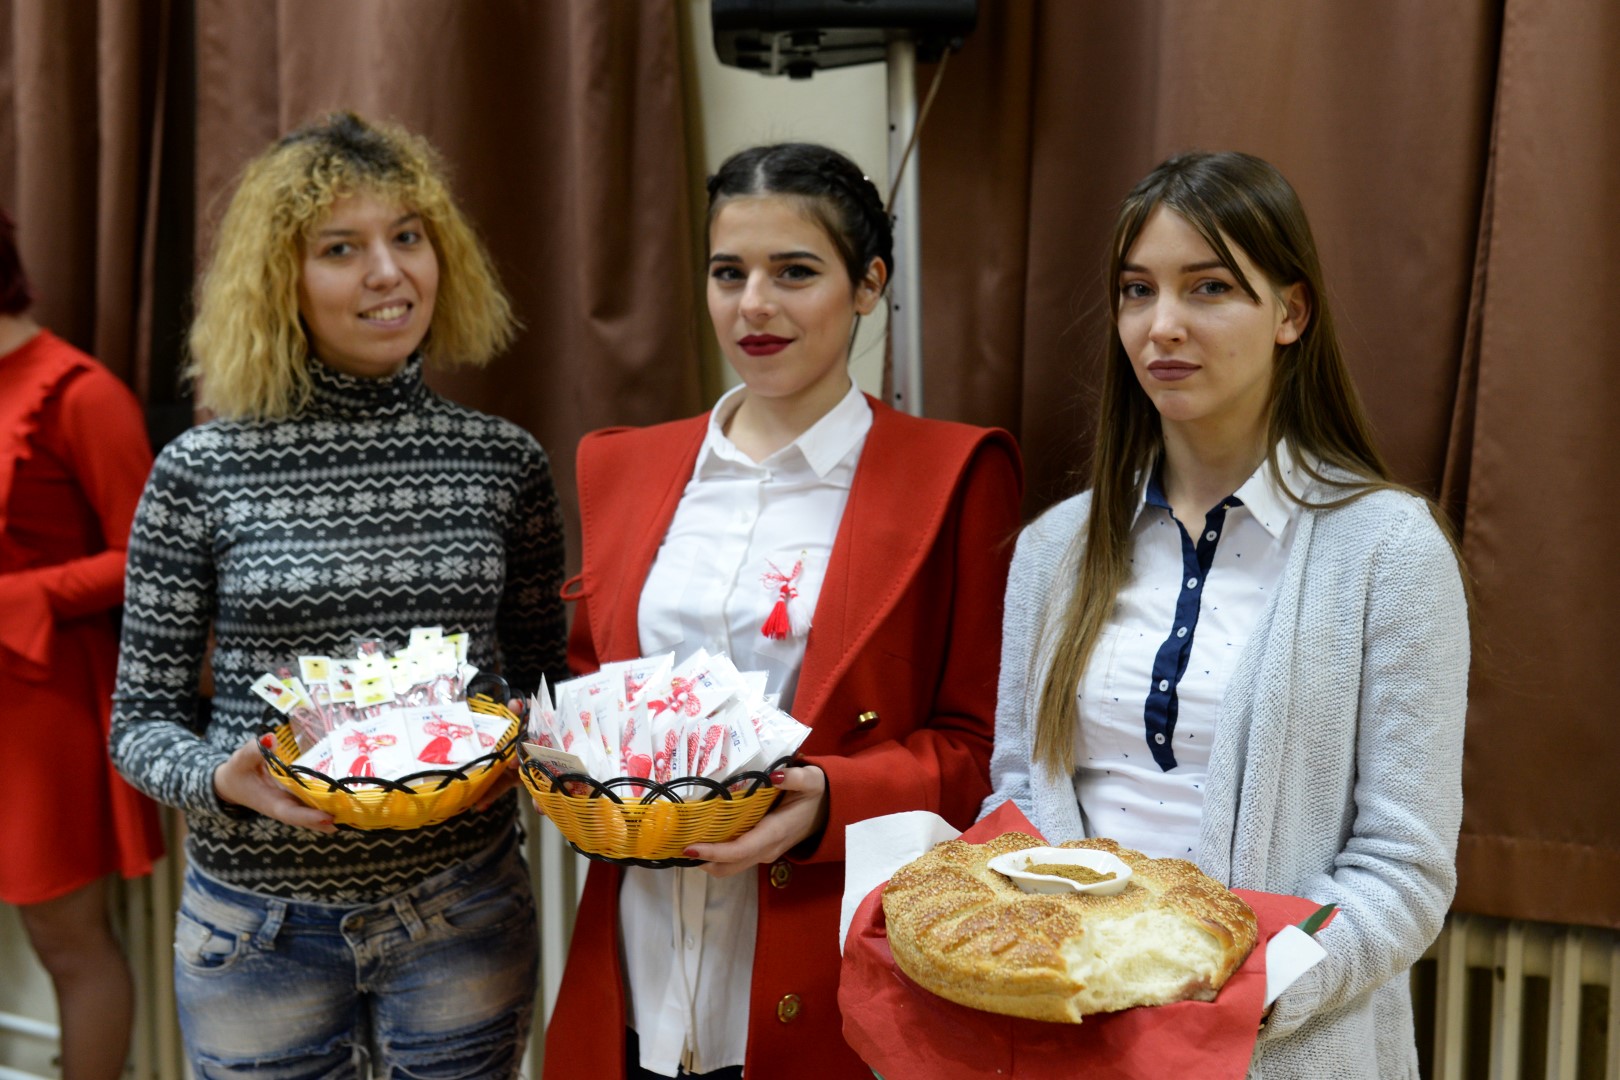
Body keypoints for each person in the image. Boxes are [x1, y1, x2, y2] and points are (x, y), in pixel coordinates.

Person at [981, 150, 1469, 1078]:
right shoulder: (1053, 549)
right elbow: (1016, 795)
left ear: (1291, 312)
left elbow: (1403, 869)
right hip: (1065, 1040)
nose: (1162, 325)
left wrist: (1237, 996)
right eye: (1138, 290)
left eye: (1208, 288)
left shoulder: (1390, 551)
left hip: (1274, 1045)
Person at [542, 142, 1023, 1079]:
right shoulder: (625, 465)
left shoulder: (951, 476)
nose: (753, 305)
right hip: (635, 953)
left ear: (868, 284)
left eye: (794, 272)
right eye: (729, 273)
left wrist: (829, 801)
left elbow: (981, 751)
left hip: (825, 955)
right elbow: (593, 685)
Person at [109, 112, 565, 1076]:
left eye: (408, 237)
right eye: (341, 248)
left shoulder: (502, 462)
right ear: (281, 278)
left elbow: (541, 685)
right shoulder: (199, 472)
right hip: (255, 927)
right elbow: (140, 724)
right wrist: (219, 781)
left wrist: (538, 748)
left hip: (463, 906)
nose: (388, 273)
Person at [0, 207, 165, 1080]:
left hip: (42, 702)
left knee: (66, 939)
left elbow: (146, 559)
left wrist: (22, 596)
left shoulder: (80, 392)